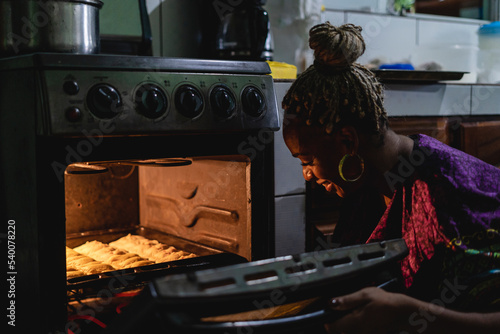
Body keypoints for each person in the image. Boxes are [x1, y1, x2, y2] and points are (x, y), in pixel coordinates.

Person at [281, 22, 500, 333]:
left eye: (308, 161)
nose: (307, 175)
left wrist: (412, 316)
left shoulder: (447, 193)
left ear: (347, 141)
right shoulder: (367, 188)